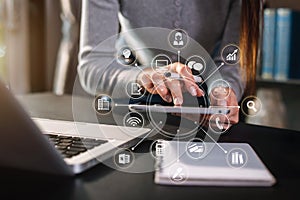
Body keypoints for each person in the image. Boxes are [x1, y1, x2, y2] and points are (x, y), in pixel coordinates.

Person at [78, 0, 262, 126]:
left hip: (208, 98)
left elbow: (232, 58)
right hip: (132, 90)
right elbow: (93, 64)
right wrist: (144, 76)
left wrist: (222, 89)